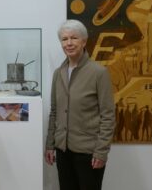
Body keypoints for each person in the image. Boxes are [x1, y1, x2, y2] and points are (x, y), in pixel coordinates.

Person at [45, 19, 115, 190]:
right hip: (63, 150)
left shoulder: (99, 73)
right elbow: (54, 112)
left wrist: (101, 151)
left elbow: (108, 115)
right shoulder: (58, 73)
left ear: (84, 41)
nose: (69, 43)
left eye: (74, 38)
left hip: (88, 152)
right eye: (64, 39)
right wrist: (50, 144)